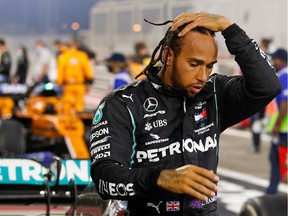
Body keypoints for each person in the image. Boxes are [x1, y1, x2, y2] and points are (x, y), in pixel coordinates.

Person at [89, 12, 281, 215]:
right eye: (195, 64)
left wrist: (228, 28)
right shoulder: (123, 104)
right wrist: (160, 178)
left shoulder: (214, 94)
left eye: (209, 66)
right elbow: (104, 177)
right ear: (168, 56)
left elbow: (267, 85)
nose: (203, 76)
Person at [266, 48, 288, 194]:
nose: (273, 62)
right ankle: (272, 191)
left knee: (278, 161)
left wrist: (277, 124)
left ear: (282, 60)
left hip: (283, 130)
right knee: (275, 159)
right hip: (281, 129)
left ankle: (271, 192)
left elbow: (285, 103)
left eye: (275, 59)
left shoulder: (283, 75)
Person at [56, 37, 94, 112]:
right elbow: (88, 71)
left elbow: (60, 72)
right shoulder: (82, 56)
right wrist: (90, 81)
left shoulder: (63, 57)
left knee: (67, 105)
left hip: (68, 85)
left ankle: (68, 122)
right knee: (79, 106)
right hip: (80, 85)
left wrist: (59, 83)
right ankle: (78, 121)